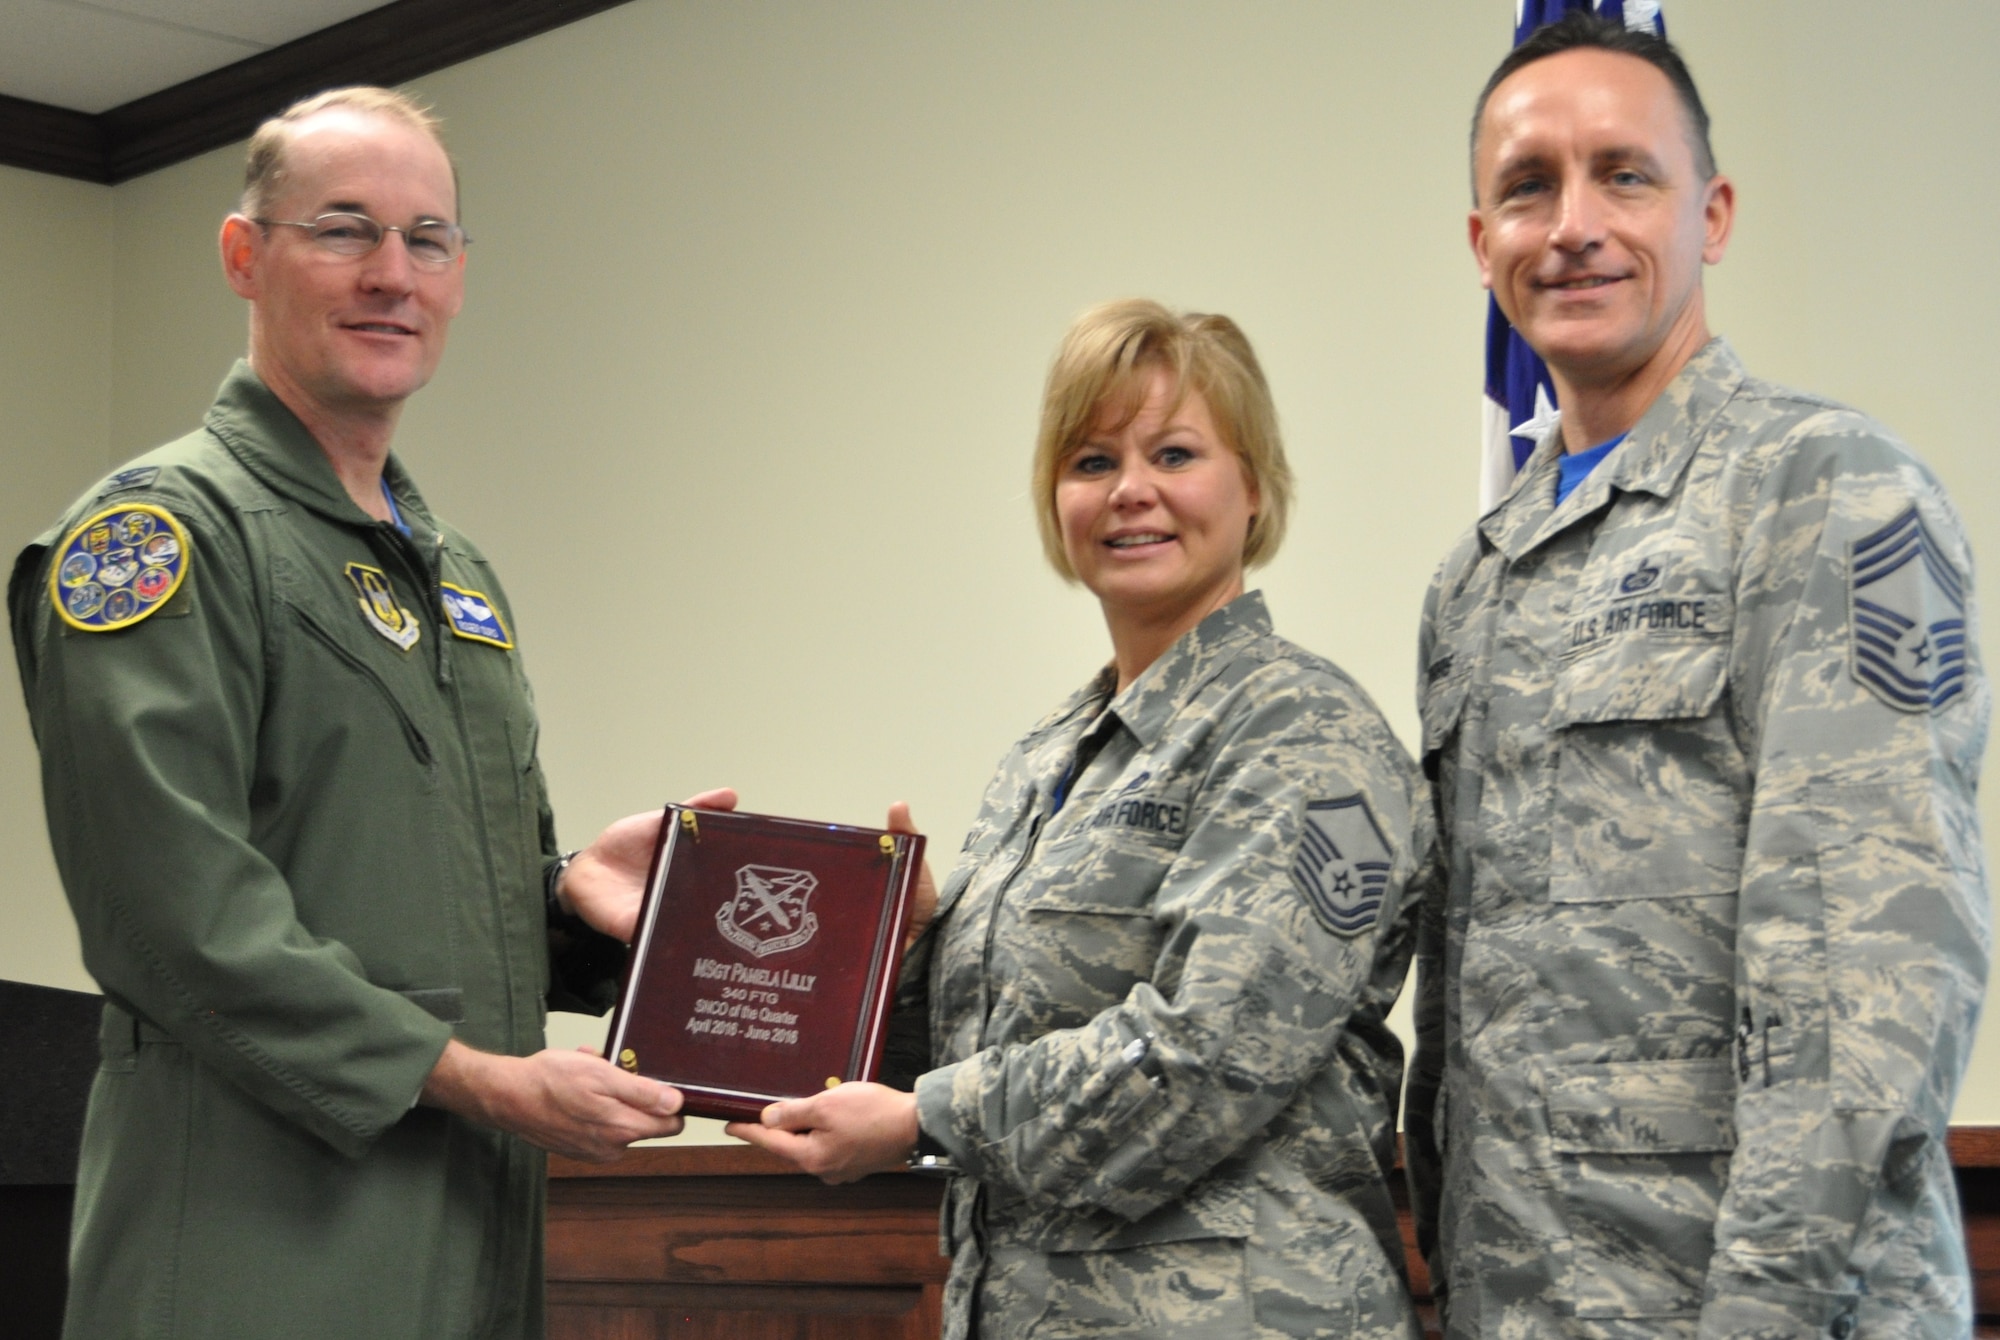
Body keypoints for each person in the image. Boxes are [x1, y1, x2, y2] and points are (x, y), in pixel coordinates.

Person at [7, 88, 719, 1340]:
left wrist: (566, 902)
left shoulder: (455, 571)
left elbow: (391, 885)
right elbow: (174, 918)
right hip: (256, 1247)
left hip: (465, 1234)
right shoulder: (161, 536)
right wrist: (481, 1082)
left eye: (427, 238)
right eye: (343, 230)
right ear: (245, 255)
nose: (393, 274)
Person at [1406, 14, 1989, 1338]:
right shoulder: (1472, 583)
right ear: (1479, 240)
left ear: (1712, 213)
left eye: (1626, 174)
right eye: (1526, 186)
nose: (1573, 225)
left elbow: (1874, 978)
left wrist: (1764, 1316)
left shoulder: (1831, 492)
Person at [730, 300, 1430, 1339]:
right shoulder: (1049, 756)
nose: (1130, 490)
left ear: (1254, 489)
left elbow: (1205, 1058)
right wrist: (883, 951)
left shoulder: (1303, 730)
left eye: (1175, 452)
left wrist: (925, 1117)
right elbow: (983, 1038)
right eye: (1092, 459)